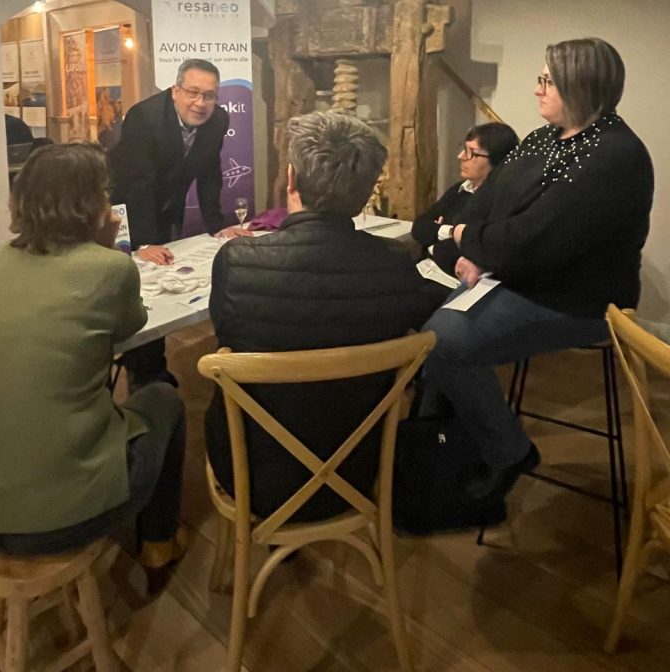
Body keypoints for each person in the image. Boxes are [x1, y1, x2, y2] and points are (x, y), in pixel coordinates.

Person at [423, 38, 654, 501]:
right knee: (429, 324)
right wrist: (476, 247)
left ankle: (507, 451)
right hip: (519, 276)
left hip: (577, 298)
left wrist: (468, 240)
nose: (537, 89)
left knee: (440, 342)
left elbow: (530, 240)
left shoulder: (614, 155)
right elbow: (488, 204)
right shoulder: (543, 138)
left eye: (548, 80)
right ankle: (441, 441)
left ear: (580, 85)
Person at [0, 143, 186, 577]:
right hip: (59, 520)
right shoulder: (109, 267)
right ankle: (158, 543)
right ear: (90, 204)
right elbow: (132, 324)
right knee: (163, 396)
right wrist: (108, 249)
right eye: (103, 193)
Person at [204, 110, 435, 521]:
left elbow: (227, 334)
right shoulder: (395, 263)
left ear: (290, 178)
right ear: (366, 192)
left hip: (252, 475)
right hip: (357, 470)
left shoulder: (237, 260)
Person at [108, 58, 249, 386]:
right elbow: (138, 184)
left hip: (169, 202)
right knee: (140, 280)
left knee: (165, 276)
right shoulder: (144, 117)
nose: (200, 103)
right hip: (129, 205)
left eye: (209, 95)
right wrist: (143, 242)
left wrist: (217, 224)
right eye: (192, 93)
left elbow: (210, 173)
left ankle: (152, 364)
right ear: (175, 90)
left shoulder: (218, 120)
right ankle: (145, 372)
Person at [411, 122, 518, 292]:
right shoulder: (460, 189)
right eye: (464, 149)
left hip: (451, 284)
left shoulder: (502, 201)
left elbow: (459, 253)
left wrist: (435, 239)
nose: (460, 156)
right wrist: (452, 232)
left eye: (471, 153)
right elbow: (419, 226)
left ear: (497, 160)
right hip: (423, 270)